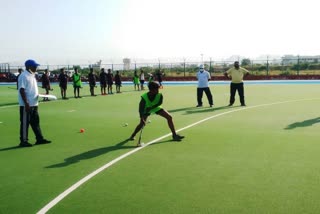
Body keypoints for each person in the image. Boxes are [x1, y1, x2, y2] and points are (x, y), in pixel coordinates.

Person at [129, 81, 184, 145]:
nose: (158, 90)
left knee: (169, 117)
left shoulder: (159, 95)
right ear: (151, 90)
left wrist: (152, 107)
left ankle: (174, 135)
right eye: (156, 89)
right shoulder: (144, 97)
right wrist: (141, 118)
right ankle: (133, 135)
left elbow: (160, 103)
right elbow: (141, 108)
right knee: (141, 124)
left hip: (155, 107)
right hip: (146, 109)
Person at [18, 59, 51, 147]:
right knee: (25, 123)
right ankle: (23, 141)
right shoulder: (23, 76)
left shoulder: (32, 75)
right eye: (34, 66)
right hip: (27, 105)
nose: (36, 67)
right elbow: (22, 90)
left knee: (35, 122)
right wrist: (26, 103)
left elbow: (31, 89)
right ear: (29, 67)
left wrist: (40, 95)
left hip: (34, 103)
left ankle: (39, 139)